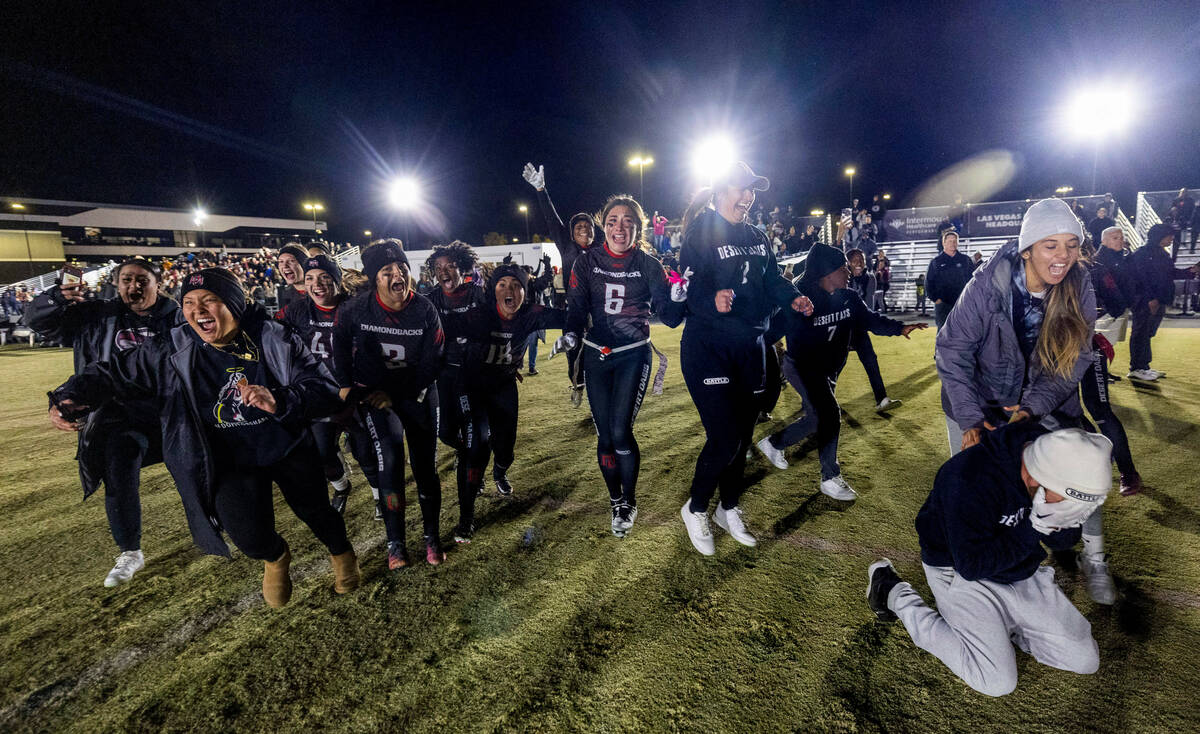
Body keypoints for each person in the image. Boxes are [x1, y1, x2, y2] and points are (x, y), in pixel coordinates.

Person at [47, 267, 358, 607]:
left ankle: (342, 554)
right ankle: (275, 557)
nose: (198, 310)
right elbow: (116, 371)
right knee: (249, 538)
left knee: (317, 512)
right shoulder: (172, 345)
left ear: (235, 304)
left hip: (285, 446)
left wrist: (280, 399)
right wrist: (69, 394)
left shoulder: (275, 336)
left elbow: (324, 390)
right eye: (190, 302)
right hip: (226, 460)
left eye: (210, 301)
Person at [935, 197, 1114, 604]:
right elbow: (951, 349)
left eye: (1071, 244)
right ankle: (984, 573)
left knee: (1084, 467)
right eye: (1051, 245)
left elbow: (1077, 358)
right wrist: (970, 421)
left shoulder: (1078, 283)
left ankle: (1095, 556)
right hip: (978, 402)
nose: (1064, 255)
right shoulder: (987, 283)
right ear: (1027, 249)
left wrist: (1031, 407)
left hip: (1044, 402)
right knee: (977, 485)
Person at [866, 426, 1109, 697]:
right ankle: (892, 592)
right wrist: (1036, 528)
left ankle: (1008, 626)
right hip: (958, 570)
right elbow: (972, 565)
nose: (1076, 511)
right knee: (996, 681)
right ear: (1038, 479)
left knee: (1085, 659)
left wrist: (1055, 520)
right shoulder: (967, 477)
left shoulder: (1052, 460)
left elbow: (1063, 540)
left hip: (1019, 566)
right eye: (1071, 501)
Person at [675, 162, 813, 556]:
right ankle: (696, 506)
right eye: (743, 189)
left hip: (751, 349)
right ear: (722, 191)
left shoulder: (756, 235)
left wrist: (793, 297)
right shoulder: (700, 233)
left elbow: (771, 281)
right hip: (708, 350)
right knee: (724, 436)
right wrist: (710, 299)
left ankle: (728, 507)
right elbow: (682, 287)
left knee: (742, 437)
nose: (749, 198)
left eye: (753, 191)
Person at [26, 259, 180, 587]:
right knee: (117, 465)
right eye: (126, 279)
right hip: (122, 415)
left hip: (175, 413)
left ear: (159, 283)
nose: (133, 286)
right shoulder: (98, 314)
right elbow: (38, 322)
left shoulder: (179, 316)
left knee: (200, 468)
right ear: (116, 283)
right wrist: (57, 297)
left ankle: (226, 525)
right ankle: (129, 551)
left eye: (142, 279)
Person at [756, 242, 925, 498]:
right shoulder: (801, 299)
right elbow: (771, 333)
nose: (849, 272)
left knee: (817, 418)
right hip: (802, 366)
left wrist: (899, 328)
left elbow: (870, 320)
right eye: (843, 268)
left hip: (829, 368)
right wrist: (743, 355)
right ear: (827, 273)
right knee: (830, 413)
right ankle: (830, 477)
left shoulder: (849, 296)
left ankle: (774, 443)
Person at [562, 195, 685, 538]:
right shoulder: (586, 262)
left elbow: (672, 320)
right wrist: (571, 336)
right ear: (604, 226)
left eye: (628, 221)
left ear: (638, 228)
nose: (620, 227)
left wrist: (678, 298)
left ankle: (628, 502)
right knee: (604, 436)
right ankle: (615, 500)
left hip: (633, 353)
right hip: (596, 354)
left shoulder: (649, 265)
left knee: (620, 432)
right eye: (614, 220)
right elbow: (575, 310)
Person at [331, 240, 447, 568]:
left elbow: (432, 362)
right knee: (391, 461)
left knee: (425, 467)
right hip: (377, 397)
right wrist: (344, 384)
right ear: (374, 279)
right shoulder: (357, 308)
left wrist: (397, 394)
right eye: (387, 271)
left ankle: (431, 537)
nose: (398, 275)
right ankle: (395, 542)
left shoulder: (424, 309)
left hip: (416, 393)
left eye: (402, 268)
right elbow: (338, 338)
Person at [451, 263, 568, 541]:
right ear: (493, 291)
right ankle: (466, 517)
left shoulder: (530, 314)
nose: (509, 290)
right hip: (474, 388)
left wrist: (581, 327)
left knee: (506, 450)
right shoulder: (478, 315)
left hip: (504, 385)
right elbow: (439, 328)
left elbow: (570, 316)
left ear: (525, 293)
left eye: (516, 285)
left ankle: (499, 472)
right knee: (474, 447)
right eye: (502, 284)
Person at [279, 254, 383, 517]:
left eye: (326, 278)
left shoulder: (355, 307)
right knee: (322, 451)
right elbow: (274, 335)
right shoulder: (298, 310)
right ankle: (341, 487)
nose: (318, 284)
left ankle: (378, 495)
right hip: (320, 394)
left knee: (365, 452)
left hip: (355, 391)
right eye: (311, 278)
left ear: (337, 281)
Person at [523, 163, 596, 401]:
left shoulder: (602, 251)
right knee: (574, 353)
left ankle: (599, 392)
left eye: (588, 226)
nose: (583, 229)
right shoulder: (567, 248)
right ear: (572, 233)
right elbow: (552, 221)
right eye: (578, 226)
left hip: (600, 313)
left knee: (600, 355)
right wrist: (541, 191)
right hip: (573, 311)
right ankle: (577, 384)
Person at [1081, 241, 1142, 496]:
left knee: (1100, 408)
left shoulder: (1096, 270)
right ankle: (1101, 453)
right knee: (1064, 410)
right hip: (1058, 352)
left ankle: (1129, 472)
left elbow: (1118, 302)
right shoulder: (1050, 271)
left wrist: (1093, 317)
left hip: (1089, 347)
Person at [1126, 223, 1197, 380]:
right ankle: (1136, 367)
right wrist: (1150, 298)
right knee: (1141, 332)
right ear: (1160, 236)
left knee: (1147, 333)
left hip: (1159, 299)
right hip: (1146, 300)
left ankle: (1143, 366)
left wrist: (1190, 271)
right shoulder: (1142, 253)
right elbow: (1139, 279)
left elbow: (1169, 274)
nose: (1172, 238)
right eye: (1169, 235)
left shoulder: (1161, 253)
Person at [845, 248, 901, 411]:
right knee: (833, 366)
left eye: (861, 259)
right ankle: (818, 403)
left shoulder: (869, 278)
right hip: (841, 327)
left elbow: (868, 307)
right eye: (854, 260)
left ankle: (882, 399)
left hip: (859, 326)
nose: (859, 263)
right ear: (847, 262)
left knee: (871, 361)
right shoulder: (842, 277)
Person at [925, 229, 972, 328]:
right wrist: (936, 299)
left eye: (955, 241)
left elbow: (973, 281)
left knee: (965, 332)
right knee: (943, 334)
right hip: (943, 304)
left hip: (963, 303)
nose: (952, 243)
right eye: (950, 241)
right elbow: (929, 283)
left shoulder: (965, 260)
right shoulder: (936, 262)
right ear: (944, 243)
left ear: (958, 243)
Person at [274, 243, 310, 318]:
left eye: (291, 261)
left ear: (304, 264)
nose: (285, 266)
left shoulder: (321, 291)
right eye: (281, 261)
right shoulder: (284, 294)